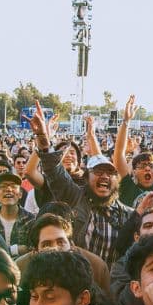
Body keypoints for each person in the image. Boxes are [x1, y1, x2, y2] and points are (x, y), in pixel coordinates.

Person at [30, 102, 133, 266]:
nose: (105, 177)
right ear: (86, 177)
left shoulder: (128, 215)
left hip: (109, 285)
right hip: (74, 277)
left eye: (110, 173)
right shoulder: (75, 197)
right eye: (98, 172)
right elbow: (54, 170)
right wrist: (43, 139)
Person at [0, 172, 35, 255]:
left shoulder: (31, 220)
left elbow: (33, 250)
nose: (8, 189)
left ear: (20, 194)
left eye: (13, 186)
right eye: (3, 186)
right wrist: (15, 250)